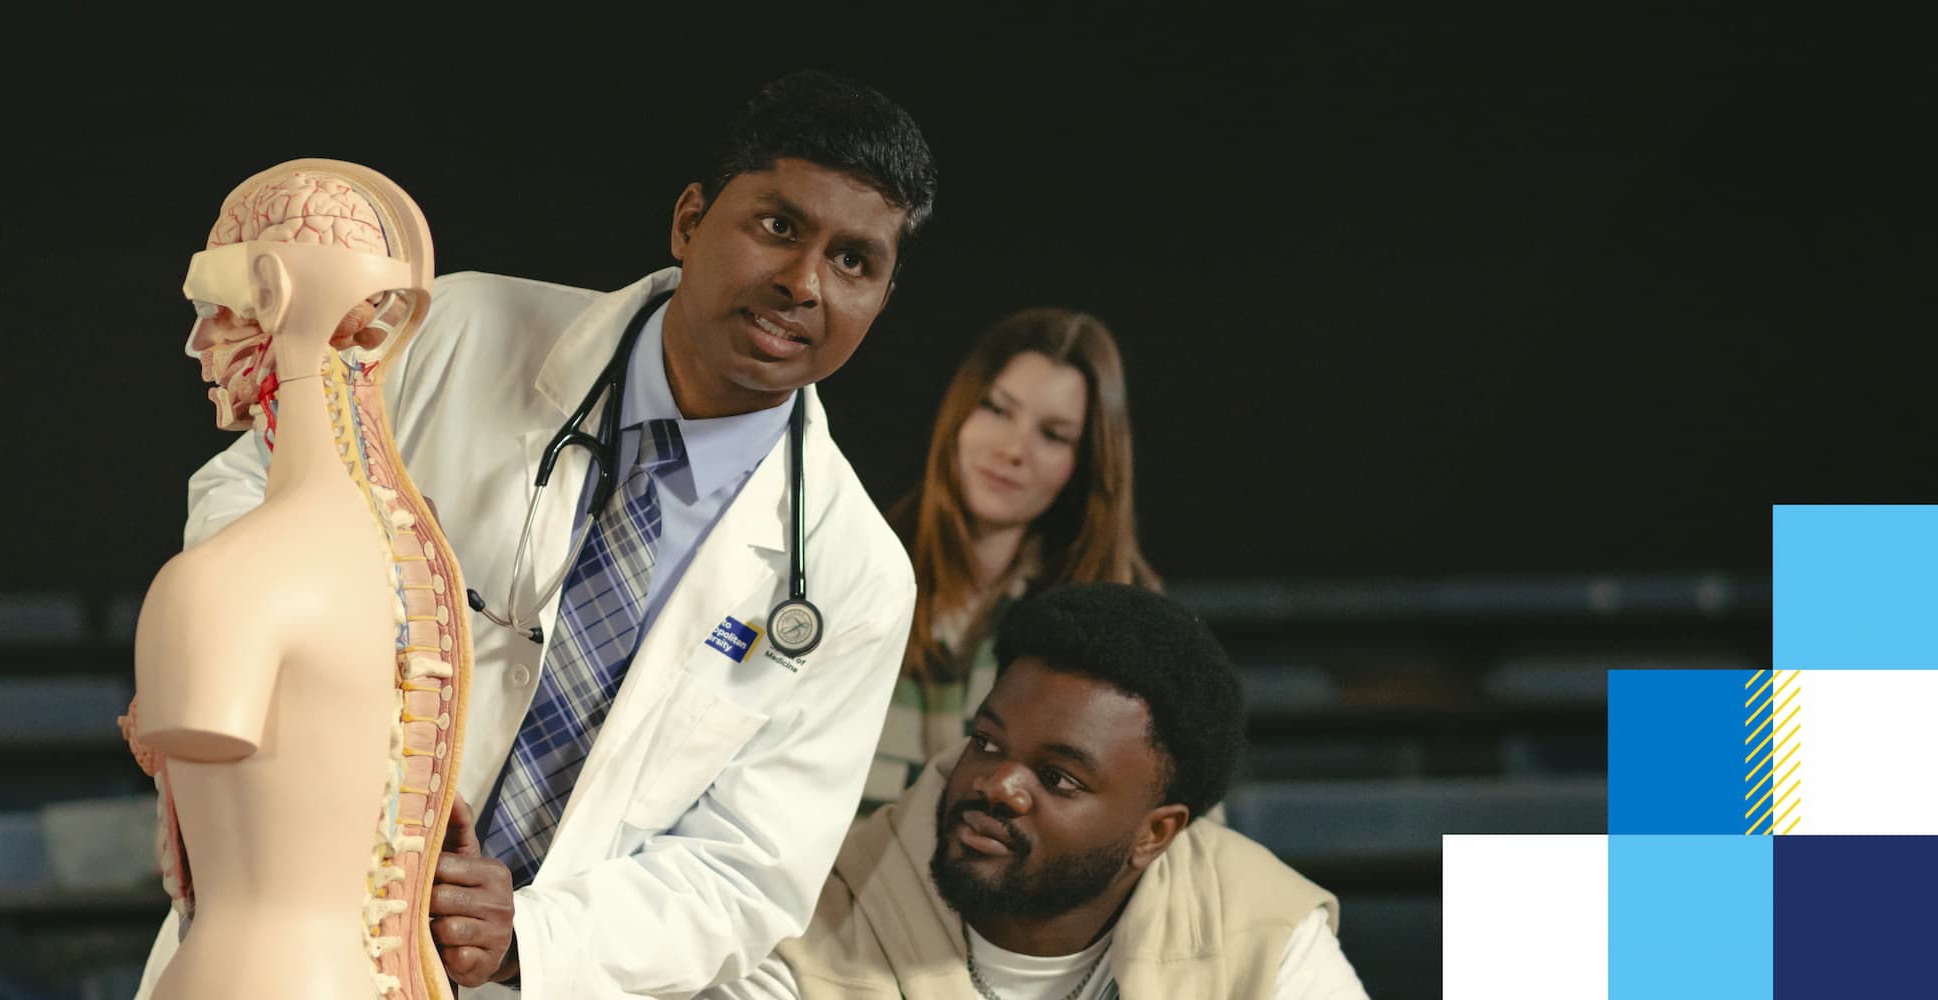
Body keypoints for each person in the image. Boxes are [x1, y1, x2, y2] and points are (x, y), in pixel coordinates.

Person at [158, 70, 935, 997]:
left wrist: (527, 933)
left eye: (855, 261)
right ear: (690, 221)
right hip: (297, 919)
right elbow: (246, 490)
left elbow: (747, 872)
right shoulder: (455, 330)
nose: (804, 283)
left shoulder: (854, 575)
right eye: (777, 226)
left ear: (882, 296)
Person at [714, 583, 1369, 1000]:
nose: (997, 785)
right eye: (989, 742)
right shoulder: (820, 913)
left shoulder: (1259, 924)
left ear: (1155, 833)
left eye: (1058, 778)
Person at [865, 310, 1159, 813]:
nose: (1013, 449)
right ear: (959, 414)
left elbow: (1172, 825)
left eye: (1054, 435)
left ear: (1085, 463)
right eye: (998, 410)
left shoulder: (1127, 619)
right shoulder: (855, 565)